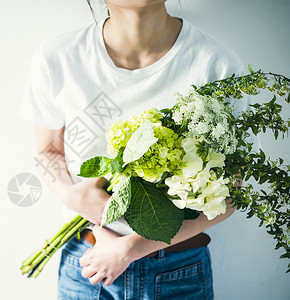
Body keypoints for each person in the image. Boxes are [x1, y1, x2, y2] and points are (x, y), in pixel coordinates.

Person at [20, 1, 248, 299]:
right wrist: (72, 197)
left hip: (178, 270)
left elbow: (232, 193)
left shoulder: (217, 65)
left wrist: (131, 248)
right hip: (87, 264)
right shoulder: (59, 58)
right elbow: (48, 150)